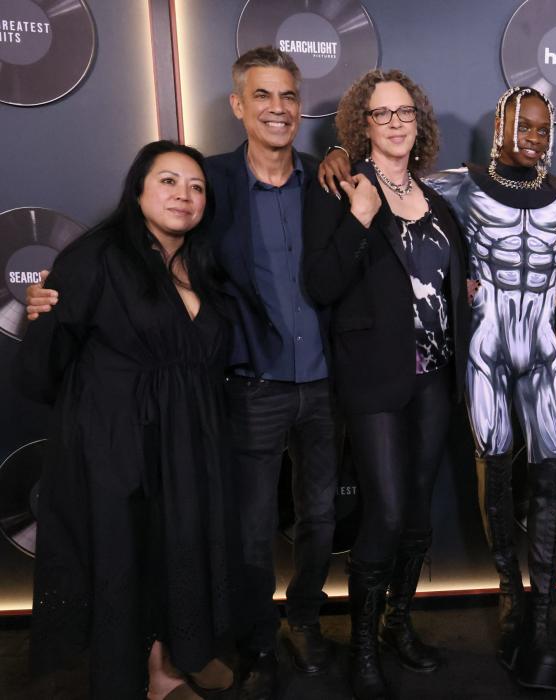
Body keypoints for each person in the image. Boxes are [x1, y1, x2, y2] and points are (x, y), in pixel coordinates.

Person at [27, 47, 339, 699]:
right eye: (262, 95)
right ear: (238, 105)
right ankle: (224, 647)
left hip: (239, 411)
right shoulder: (122, 242)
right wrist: (44, 315)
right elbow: (53, 353)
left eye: (287, 96)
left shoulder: (321, 185)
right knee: (207, 540)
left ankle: (213, 648)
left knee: (237, 536)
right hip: (180, 415)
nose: (186, 194)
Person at [321, 85, 556, 690]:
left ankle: (535, 623)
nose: (535, 137)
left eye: (544, 129)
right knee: (486, 474)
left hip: (538, 351)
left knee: (547, 473)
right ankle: (508, 602)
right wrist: (336, 151)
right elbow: (375, 174)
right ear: (499, 124)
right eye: (525, 125)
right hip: (477, 351)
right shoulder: (453, 187)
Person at [18, 141, 236, 699]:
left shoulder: (204, 262)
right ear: (137, 189)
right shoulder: (96, 256)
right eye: (168, 181)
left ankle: (174, 661)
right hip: (117, 441)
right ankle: (134, 677)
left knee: (178, 550)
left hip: (186, 442)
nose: (183, 196)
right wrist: (40, 313)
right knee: (127, 557)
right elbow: (43, 364)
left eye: (196, 187)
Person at [303, 70, 470, 698]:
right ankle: (363, 647)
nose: (396, 122)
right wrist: (358, 218)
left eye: (405, 112)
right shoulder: (344, 186)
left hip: (434, 379)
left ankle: (400, 625)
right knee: (388, 511)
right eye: (382, 114)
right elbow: (321, 285)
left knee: (419, 516)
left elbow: (448, 279)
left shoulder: (437, 200)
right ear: (360, 125)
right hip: (373, 379)